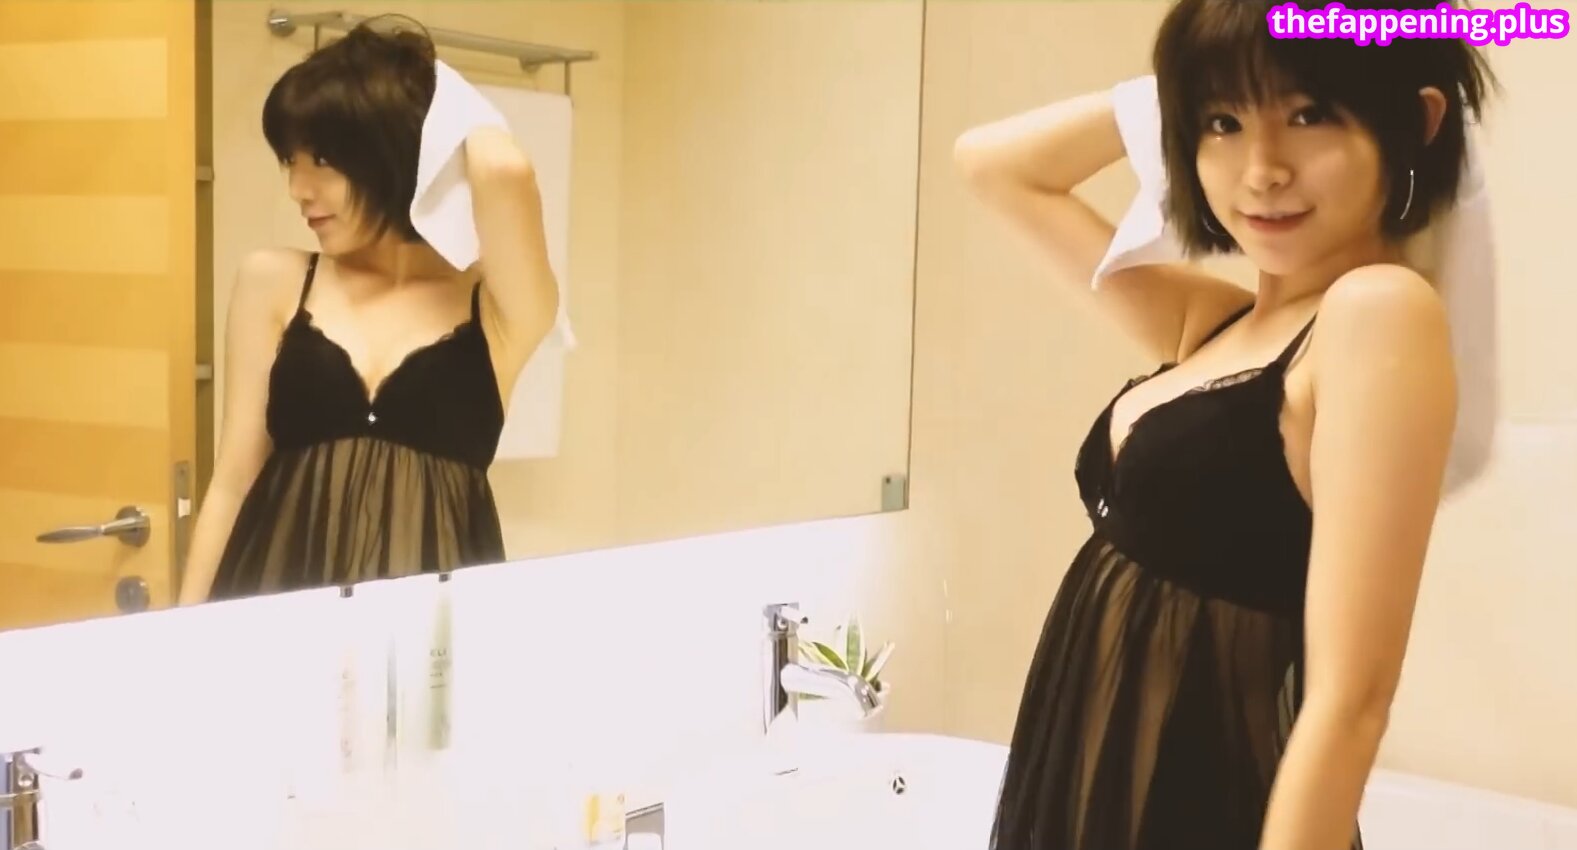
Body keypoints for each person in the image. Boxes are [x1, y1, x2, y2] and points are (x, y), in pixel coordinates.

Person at [952, 0, 1495, 847]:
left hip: (1212, 815)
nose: (1261, 170)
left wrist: (1224, 76)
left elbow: (1351, 700)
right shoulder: (1212, 326)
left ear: (1412, 122)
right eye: (1223, 123)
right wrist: (1185, 80)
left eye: (1308, 114)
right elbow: (991, 167)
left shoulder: (1375, 313)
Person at [179, 20, 559, 604]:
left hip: (430, 635)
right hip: (272, 617)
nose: (298, 188)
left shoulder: (496, 309)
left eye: (322, 159)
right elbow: (232, 482)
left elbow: (505, 169)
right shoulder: (274, 281)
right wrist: (182, 631)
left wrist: (425, 102)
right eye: (290, 161)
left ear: (391, 154)